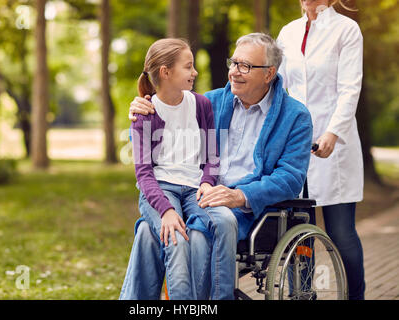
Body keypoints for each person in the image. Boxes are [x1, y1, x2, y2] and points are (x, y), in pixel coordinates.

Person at [126, 33, 313, 300]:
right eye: (233, 62)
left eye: (245, 66)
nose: (234, 72)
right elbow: (162, 124)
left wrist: (239, 196)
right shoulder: (209, 101)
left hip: (250, 210)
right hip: (198, 192)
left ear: (269, 73)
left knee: (198, 235)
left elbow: (290, 177)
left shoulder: (295, 116)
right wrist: (140, 107)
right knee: (147, 230)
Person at [119, 38, 236, 300]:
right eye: (188, 67)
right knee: (176, 239)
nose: (194, 72)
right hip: (160, 190)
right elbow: (144, 175)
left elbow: (211, 156)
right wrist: (167, 211)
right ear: (166, 72)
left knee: (226, 220)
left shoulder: (201, 105)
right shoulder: (144, 114)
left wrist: (207, 181)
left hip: (196, 189)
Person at [276, 0, 366, 299]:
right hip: (295, 146)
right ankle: (301, 296)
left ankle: (356, 296)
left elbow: (350, 88)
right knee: (298, 234)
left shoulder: (346, 30)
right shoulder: (287, 33)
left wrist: (333, 132)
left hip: (334, 147)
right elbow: (277, 85)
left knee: (341, 234)